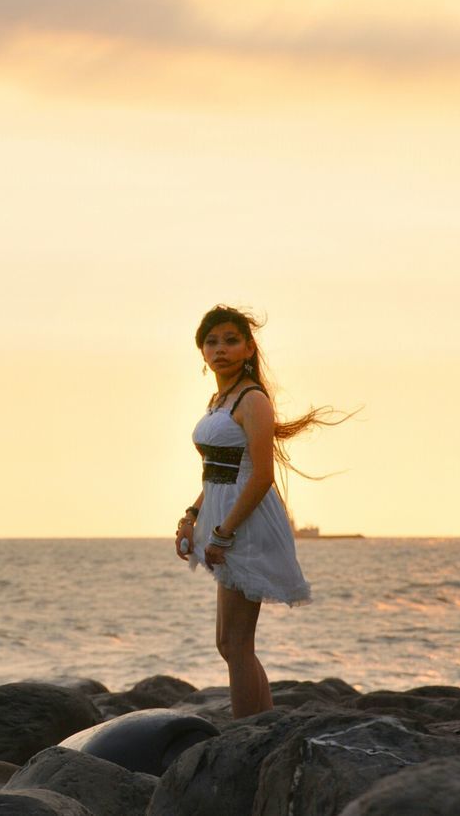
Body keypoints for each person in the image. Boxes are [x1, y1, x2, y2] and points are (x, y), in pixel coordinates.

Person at [174, 305, 344, 718]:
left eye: (231, 340)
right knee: (227, 643)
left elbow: (262, 475)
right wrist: (192, 515)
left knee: (236, 644)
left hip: (245, 522)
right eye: (211, 342)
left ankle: (248, 731)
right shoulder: (219, 398)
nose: (221, 350)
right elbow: (216, 473)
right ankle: (261, 725)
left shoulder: (252, 400)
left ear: (249, 348)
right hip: (221, 516)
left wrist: (224, 533)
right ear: (201, 351)